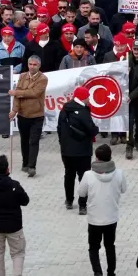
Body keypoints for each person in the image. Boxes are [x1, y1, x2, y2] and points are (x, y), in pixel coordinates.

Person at [78, 143, 127, 276]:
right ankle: (111, 274)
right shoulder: (119, 173)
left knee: (93, 247)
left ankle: (97, 272)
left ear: (97, 158)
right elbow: (124, 189)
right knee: (110, 246)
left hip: (94, 218)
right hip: (111, 217)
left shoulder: (88, 175)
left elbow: (81, 193)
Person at [58, 84, 97, 212]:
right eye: (88, 97)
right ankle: (82, 205)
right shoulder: (83, 112)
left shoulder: (64, 109)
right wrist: (96, 129)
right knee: (83, 177)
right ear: (83, 97)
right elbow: (91, 129)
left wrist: (63, 144)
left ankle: (69, 200)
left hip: (66, 151)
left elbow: (59, 129)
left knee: (69, 175)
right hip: (82, 151)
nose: (89, 99)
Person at [10, 55, 47, 177]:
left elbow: (34, 93)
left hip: (37, 115)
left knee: (34, 141)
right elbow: (17, 98)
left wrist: (17, 92)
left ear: (39, 66)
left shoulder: (43, 78)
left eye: (34, 64)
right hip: (23, 115)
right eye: (30, 64)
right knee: (24, 141)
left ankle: (32, 166)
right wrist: (14, 111)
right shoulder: (22, 76)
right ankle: (25, 163)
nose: (32, 67)